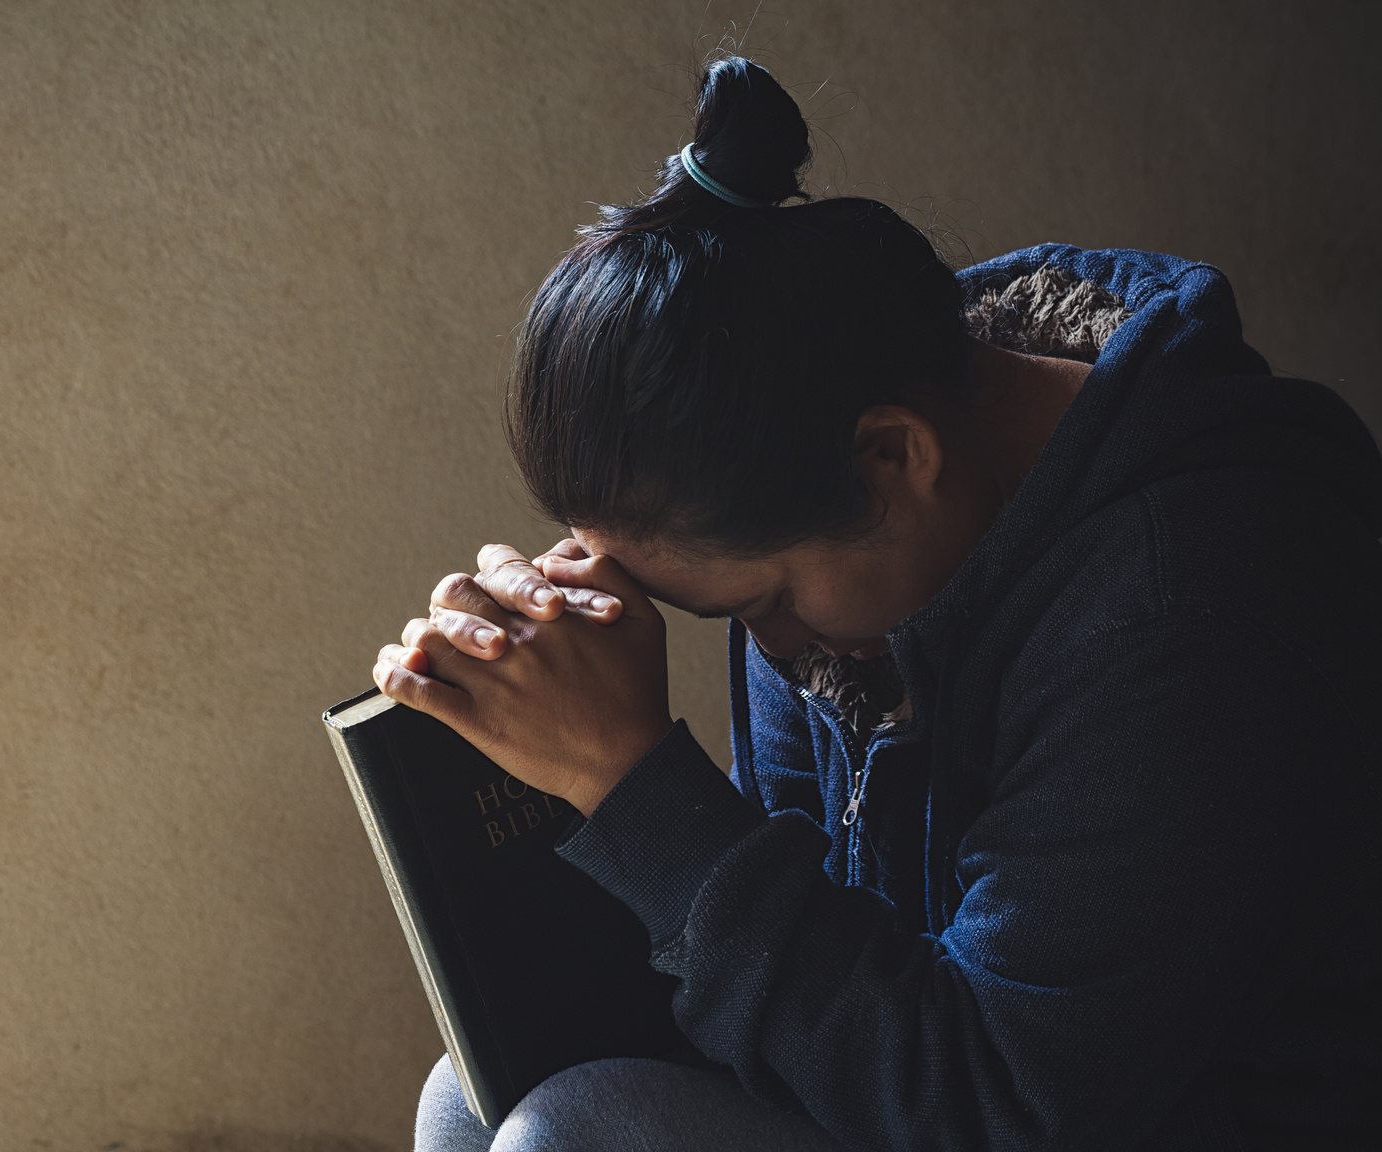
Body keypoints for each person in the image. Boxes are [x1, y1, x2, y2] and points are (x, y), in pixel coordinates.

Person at [374, 56, 1380, 1152]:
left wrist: (636, 791)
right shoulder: (852, 485)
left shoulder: (1193, 617)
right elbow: (836, 950)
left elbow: (1001, 1102)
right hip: (949, 1078)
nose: (775, 651)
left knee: (574, 1132)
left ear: (897, 456)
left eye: (762, 598)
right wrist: (550, 733)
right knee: (475, 1091)